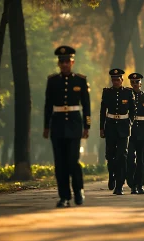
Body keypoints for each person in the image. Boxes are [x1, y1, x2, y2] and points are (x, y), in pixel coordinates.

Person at [43, 46, 91, 208]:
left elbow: (86, 105)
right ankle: (64, 196)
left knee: (72, 161)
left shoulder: (80, 80)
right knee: (60, 163)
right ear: (58, 63)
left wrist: (87, 126)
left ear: (72, 62)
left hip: (74, 125)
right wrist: (46, 126)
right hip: (57, 125)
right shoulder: (52, 81)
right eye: (61, 61)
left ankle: (78, 191)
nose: (64, 64)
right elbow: (48, 105)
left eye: (67, 61)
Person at [100, 68, 135, 195]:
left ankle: (119, 185)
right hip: (110, 126)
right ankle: (111, 175)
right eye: (113, 80)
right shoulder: (107, 92)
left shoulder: (128, 93)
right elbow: (102, 111)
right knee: (110, 155)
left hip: (123, 127)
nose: (115, 82)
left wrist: (129, 122)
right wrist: (101, 128)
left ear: (122, 80)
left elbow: (133, 110)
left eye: (117, 80)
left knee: (122, 156)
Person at [126, 73, 144, 195]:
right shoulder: (127, 94)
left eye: (137, 82)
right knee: (130, 158)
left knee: (141, 160)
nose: (135, 84)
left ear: (141, 83)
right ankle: (132, 183)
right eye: (133, 82)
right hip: (130, 131)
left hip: (142, 130)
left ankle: (140, 185)